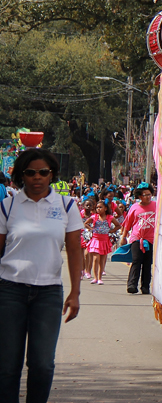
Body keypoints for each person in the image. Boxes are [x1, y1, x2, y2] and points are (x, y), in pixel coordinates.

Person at [0, 149, 82, 403]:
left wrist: (75, 293)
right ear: (21, 176)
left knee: (43, 364)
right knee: (6, 366)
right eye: (30, 172)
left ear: (52, 175)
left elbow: (75, 249)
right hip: (9, 291)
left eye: (43, 172)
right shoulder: (8, 205)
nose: (37, 177)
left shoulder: (67, 206)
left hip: (48, 294)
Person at [120, 183, 156, 295]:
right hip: (137, 239)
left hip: (151, 239)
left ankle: (145, 286)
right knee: (136, 261)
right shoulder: (134, 207)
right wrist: (124, 237)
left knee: (147, 263)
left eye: (149, 194)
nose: (148, 197)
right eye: (145, 195)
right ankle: (132, 285)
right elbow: (128, 223)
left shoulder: (156, 205)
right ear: (140, 196)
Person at [85, 200, 120, 285]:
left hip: (105, 240)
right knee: (96, 258)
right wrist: (91, 229)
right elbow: (86, 223)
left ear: (105, 208)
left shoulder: (110, 218)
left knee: (102, 260)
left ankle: (100, 278)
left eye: (100, 207)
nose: (98, 209)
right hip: (95, 240)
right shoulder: (94, 217)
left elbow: (118, 225)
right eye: (97, 207)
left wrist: (111, 231)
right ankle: (95, 278)